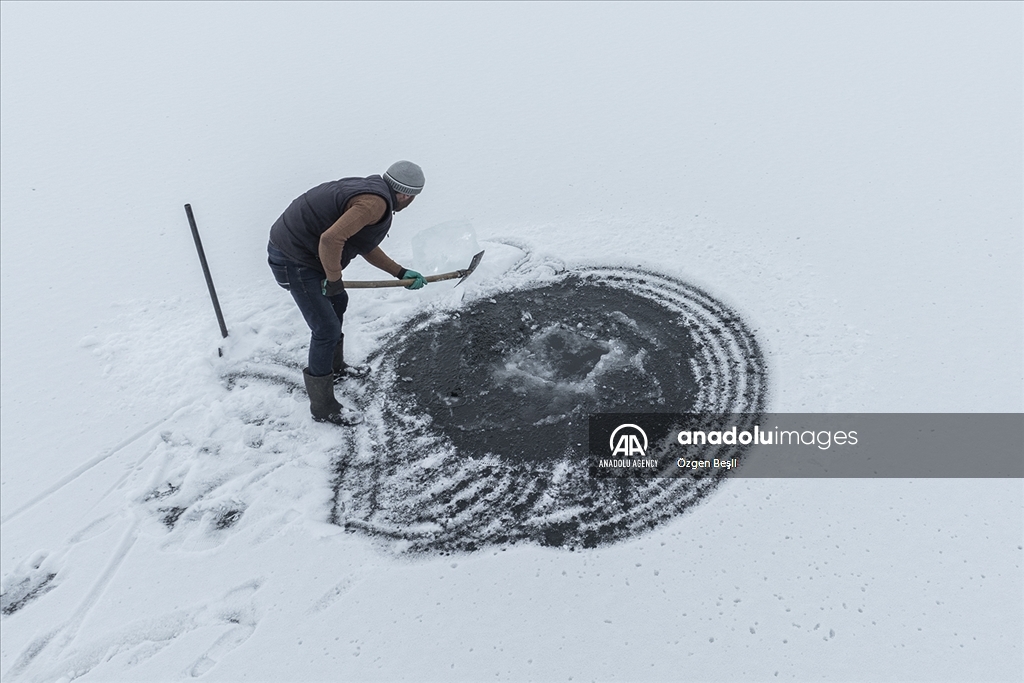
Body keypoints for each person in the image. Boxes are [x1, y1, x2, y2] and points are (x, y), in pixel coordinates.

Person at [267, 161, 428, 426]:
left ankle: (335, 368)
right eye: (413, 198)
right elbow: (331, 240)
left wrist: (398, 272)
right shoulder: (374, 204)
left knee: (338, 300)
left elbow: (361, 242)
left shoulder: (375, 192)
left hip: (305, 250)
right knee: (325, 328)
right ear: (406, 195)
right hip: (292, 257)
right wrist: (333, 279)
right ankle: (323, 407)